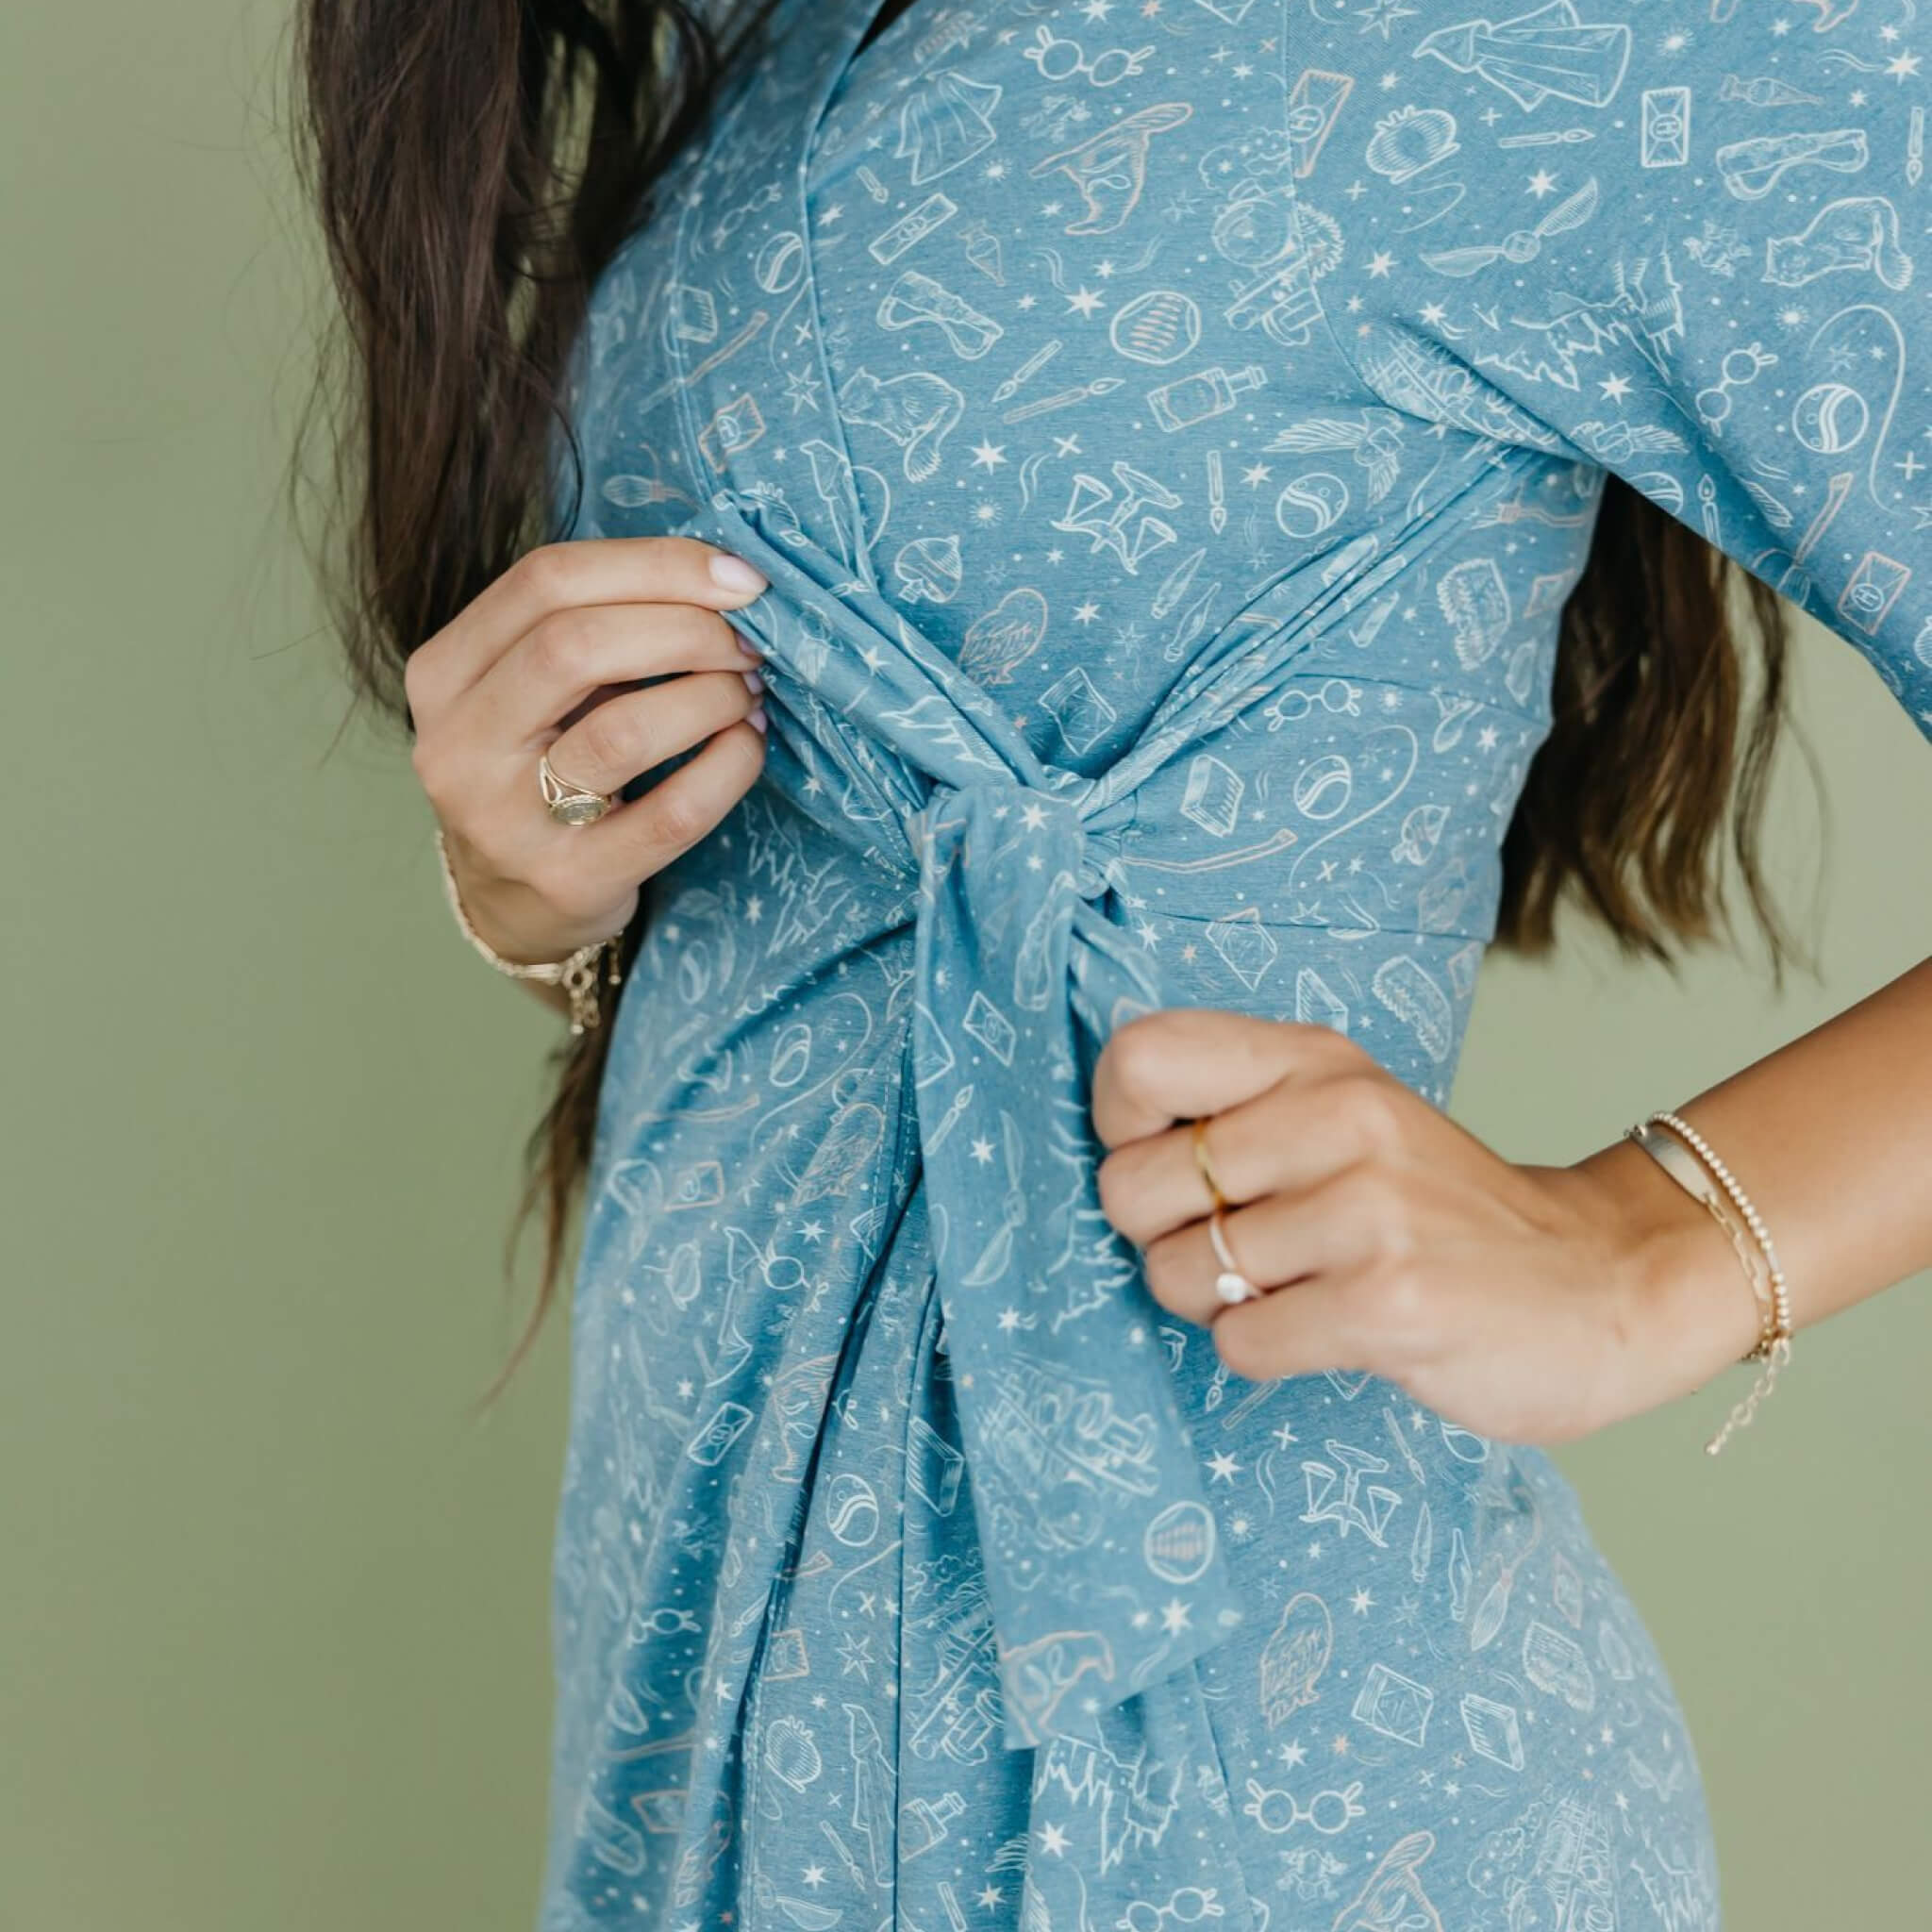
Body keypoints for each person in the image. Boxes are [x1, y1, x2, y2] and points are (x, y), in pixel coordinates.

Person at [293, 1, 1932, 1925]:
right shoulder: (735, 41)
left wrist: (1654, 1250)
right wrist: (540, 897)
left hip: (1269, 1780)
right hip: (701, 1742)